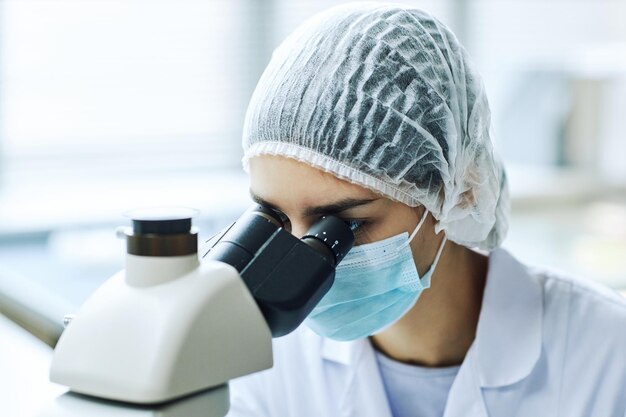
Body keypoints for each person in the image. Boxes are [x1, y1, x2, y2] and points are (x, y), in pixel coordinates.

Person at [226, 3, 626, 416]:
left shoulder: (607, 356)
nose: (298, 260)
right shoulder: (265, 363)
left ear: (460, 188)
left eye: (344, 223)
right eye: (274, 218)